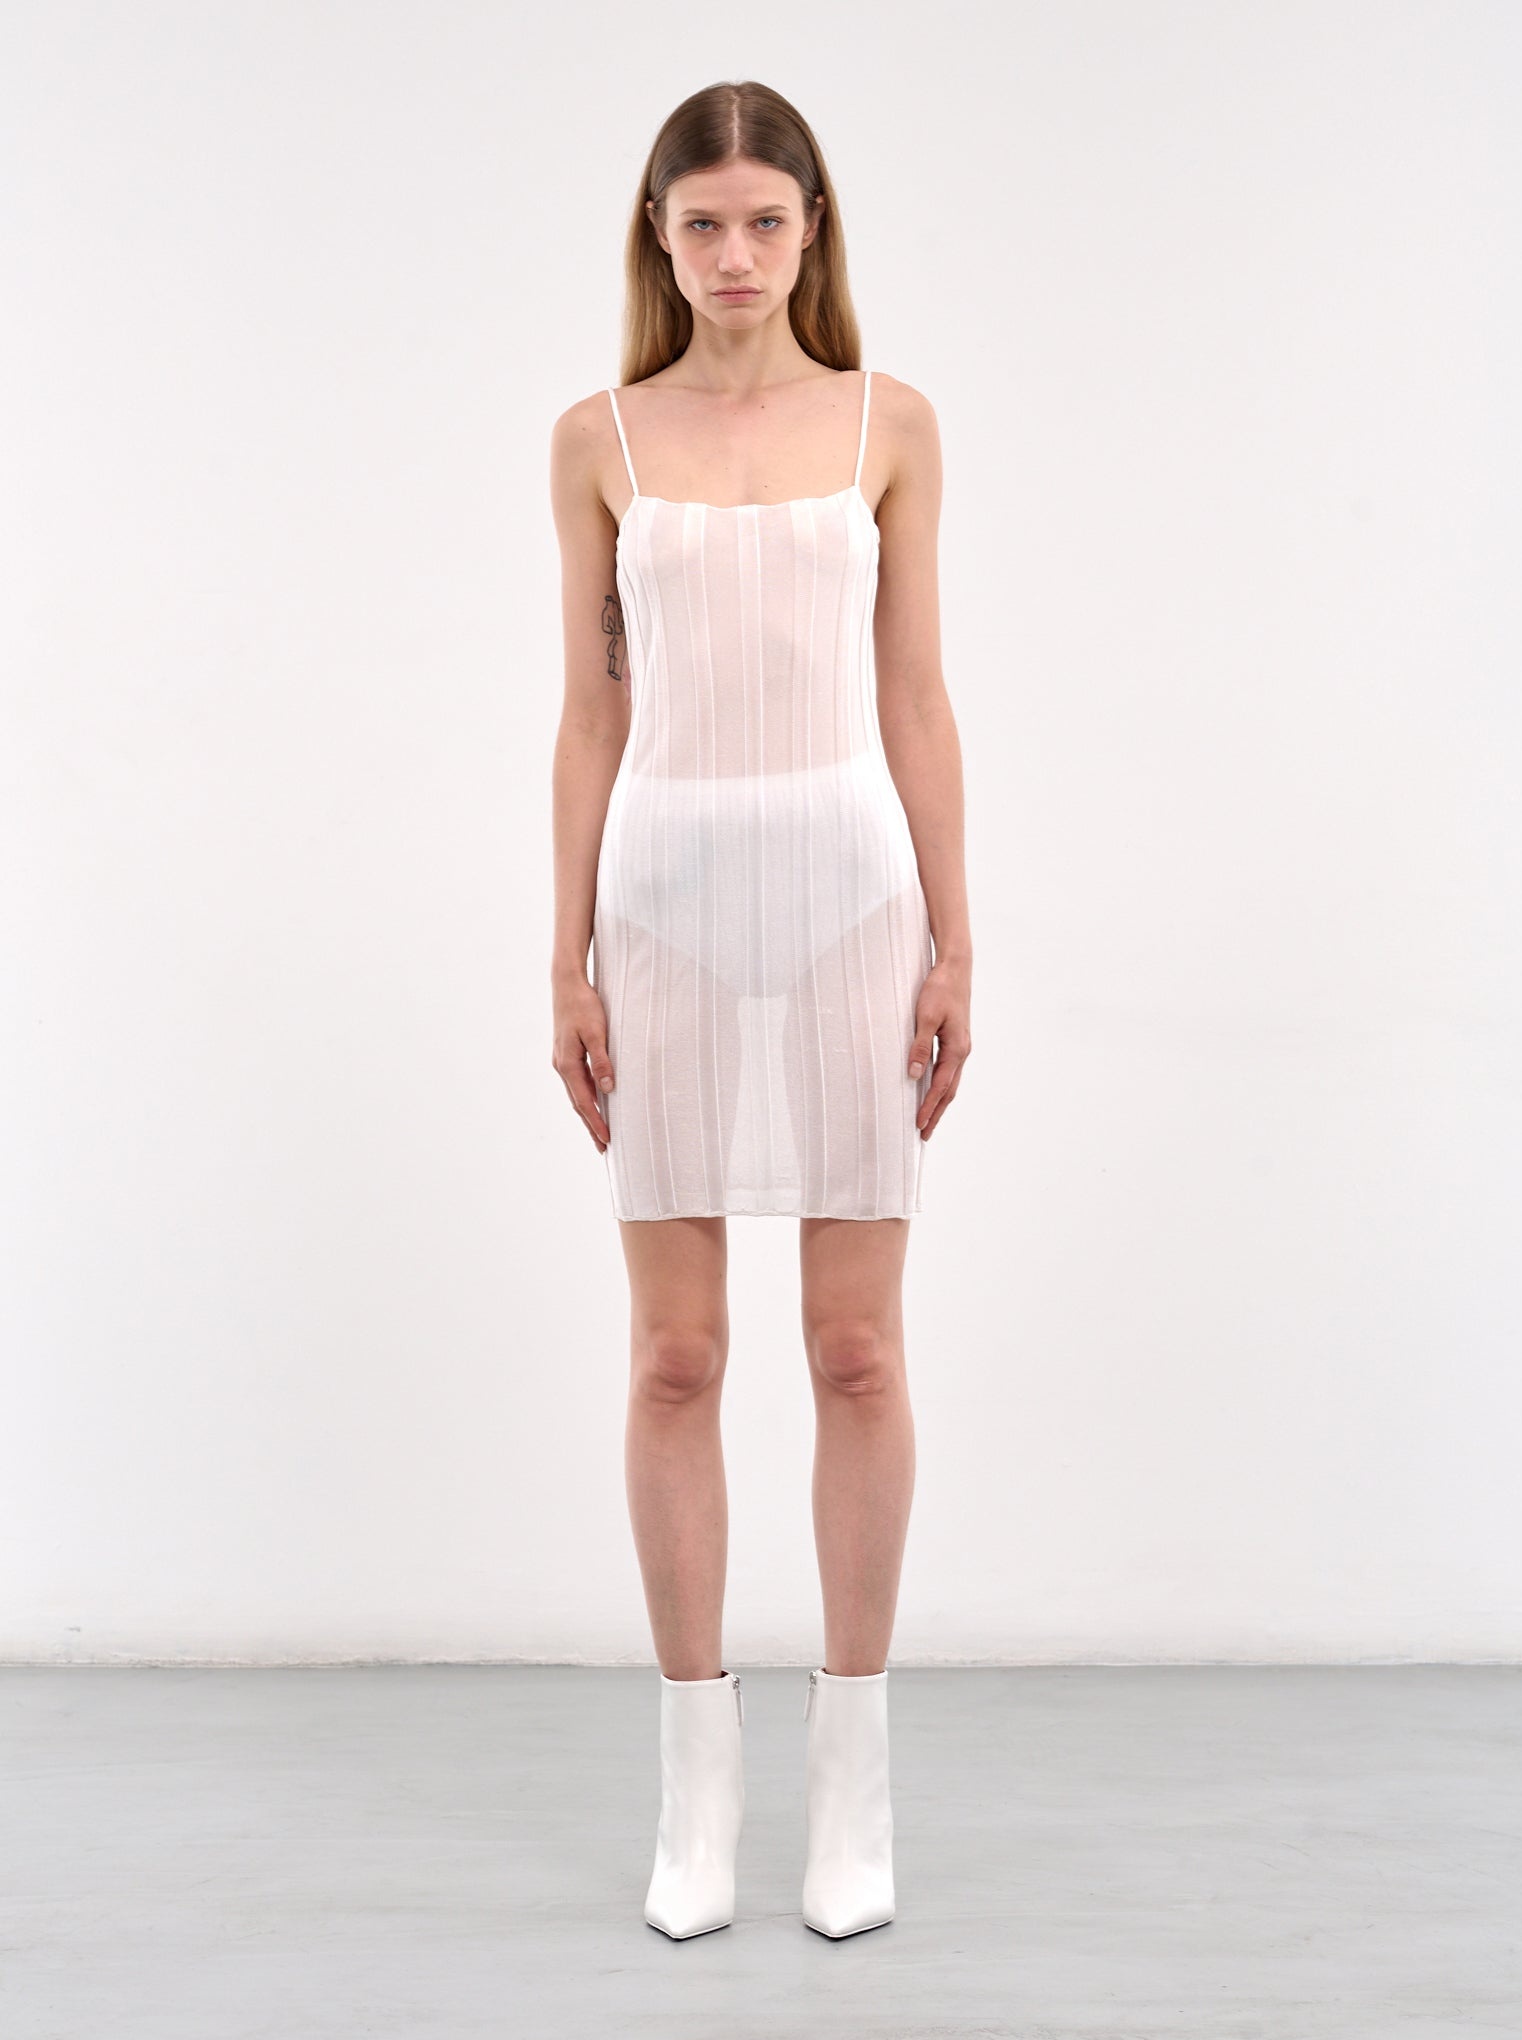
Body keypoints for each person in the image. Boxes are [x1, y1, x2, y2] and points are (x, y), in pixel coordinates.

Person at [548, 78, 971, 1940]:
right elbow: (591, 712)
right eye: (703, 222)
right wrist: (561, 954)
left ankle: (853, 1784)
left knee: (857, 1348)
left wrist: (957, 941)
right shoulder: (598, 438)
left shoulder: (890, 425)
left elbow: (918, 695)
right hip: (662, 907)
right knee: (676, 1356)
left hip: (852, 903)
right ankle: (696, 1788)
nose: (734, 255)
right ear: (662, 235)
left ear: (812, 233)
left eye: (765, 222)